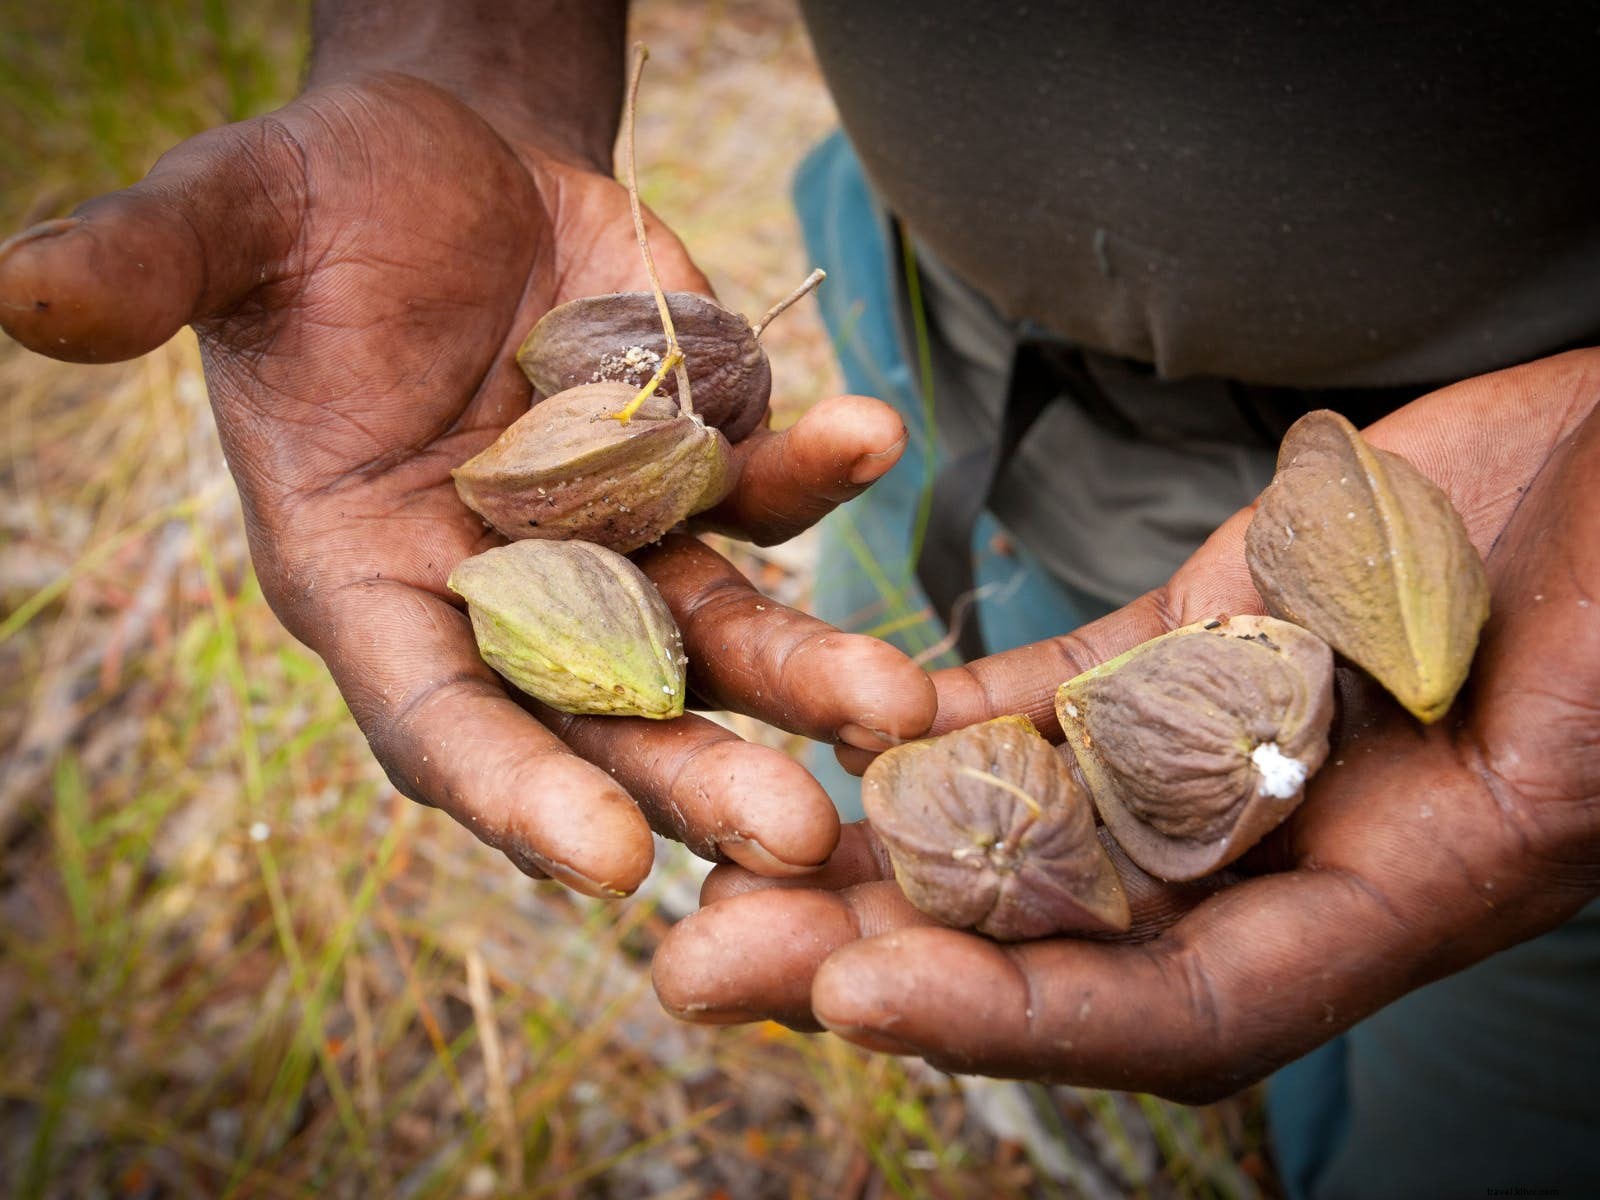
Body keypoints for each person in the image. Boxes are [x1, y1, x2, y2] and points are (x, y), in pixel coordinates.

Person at [1, 3, 1595, 1196]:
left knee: (1470, 1114)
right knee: (900, 730)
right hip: (946, 331)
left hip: (1535, 510)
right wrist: (467, 58)